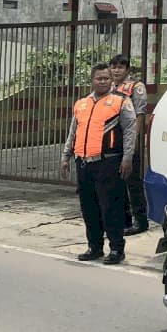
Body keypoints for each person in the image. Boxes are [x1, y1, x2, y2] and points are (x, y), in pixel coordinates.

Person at [60, 63, 136, 265]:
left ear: (111, 80)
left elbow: (130, 131)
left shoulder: (121, 102)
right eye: (98, 78)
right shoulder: (81, 104)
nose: (102, 81)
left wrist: (128, 158)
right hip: (84, 163)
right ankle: (94, 247)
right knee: (89, 208)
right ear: (91, 80)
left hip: (109, 163)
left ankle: (116, 249)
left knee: (111, 207)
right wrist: (66, 156)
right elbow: (73, 132)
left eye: (106, 78)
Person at [109, 54, 149, 236]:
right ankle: (124, 219)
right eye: (114, 66)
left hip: (128, 139)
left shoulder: (136, 87)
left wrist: (134, 141)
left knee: (133, 183)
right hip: (113, 140)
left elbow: (139, 115)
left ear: (127, 70)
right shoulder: (109, 87)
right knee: (117, 183)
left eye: (120, 67)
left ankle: (140, 221)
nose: (116, 70)